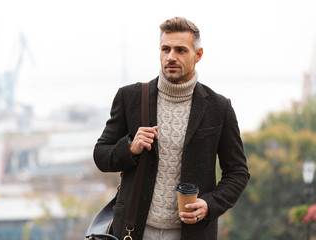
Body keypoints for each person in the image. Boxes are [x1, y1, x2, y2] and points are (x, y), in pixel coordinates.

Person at [93, 16, 250, 240]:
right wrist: (129, 148)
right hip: (133, 230)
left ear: (198, 55)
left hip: (192, 233)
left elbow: (237, 173)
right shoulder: (130, 97)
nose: (171, 57)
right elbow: (101, 155)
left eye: (180, 50)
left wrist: (209, 204)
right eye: (165, 49)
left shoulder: (219, 107)